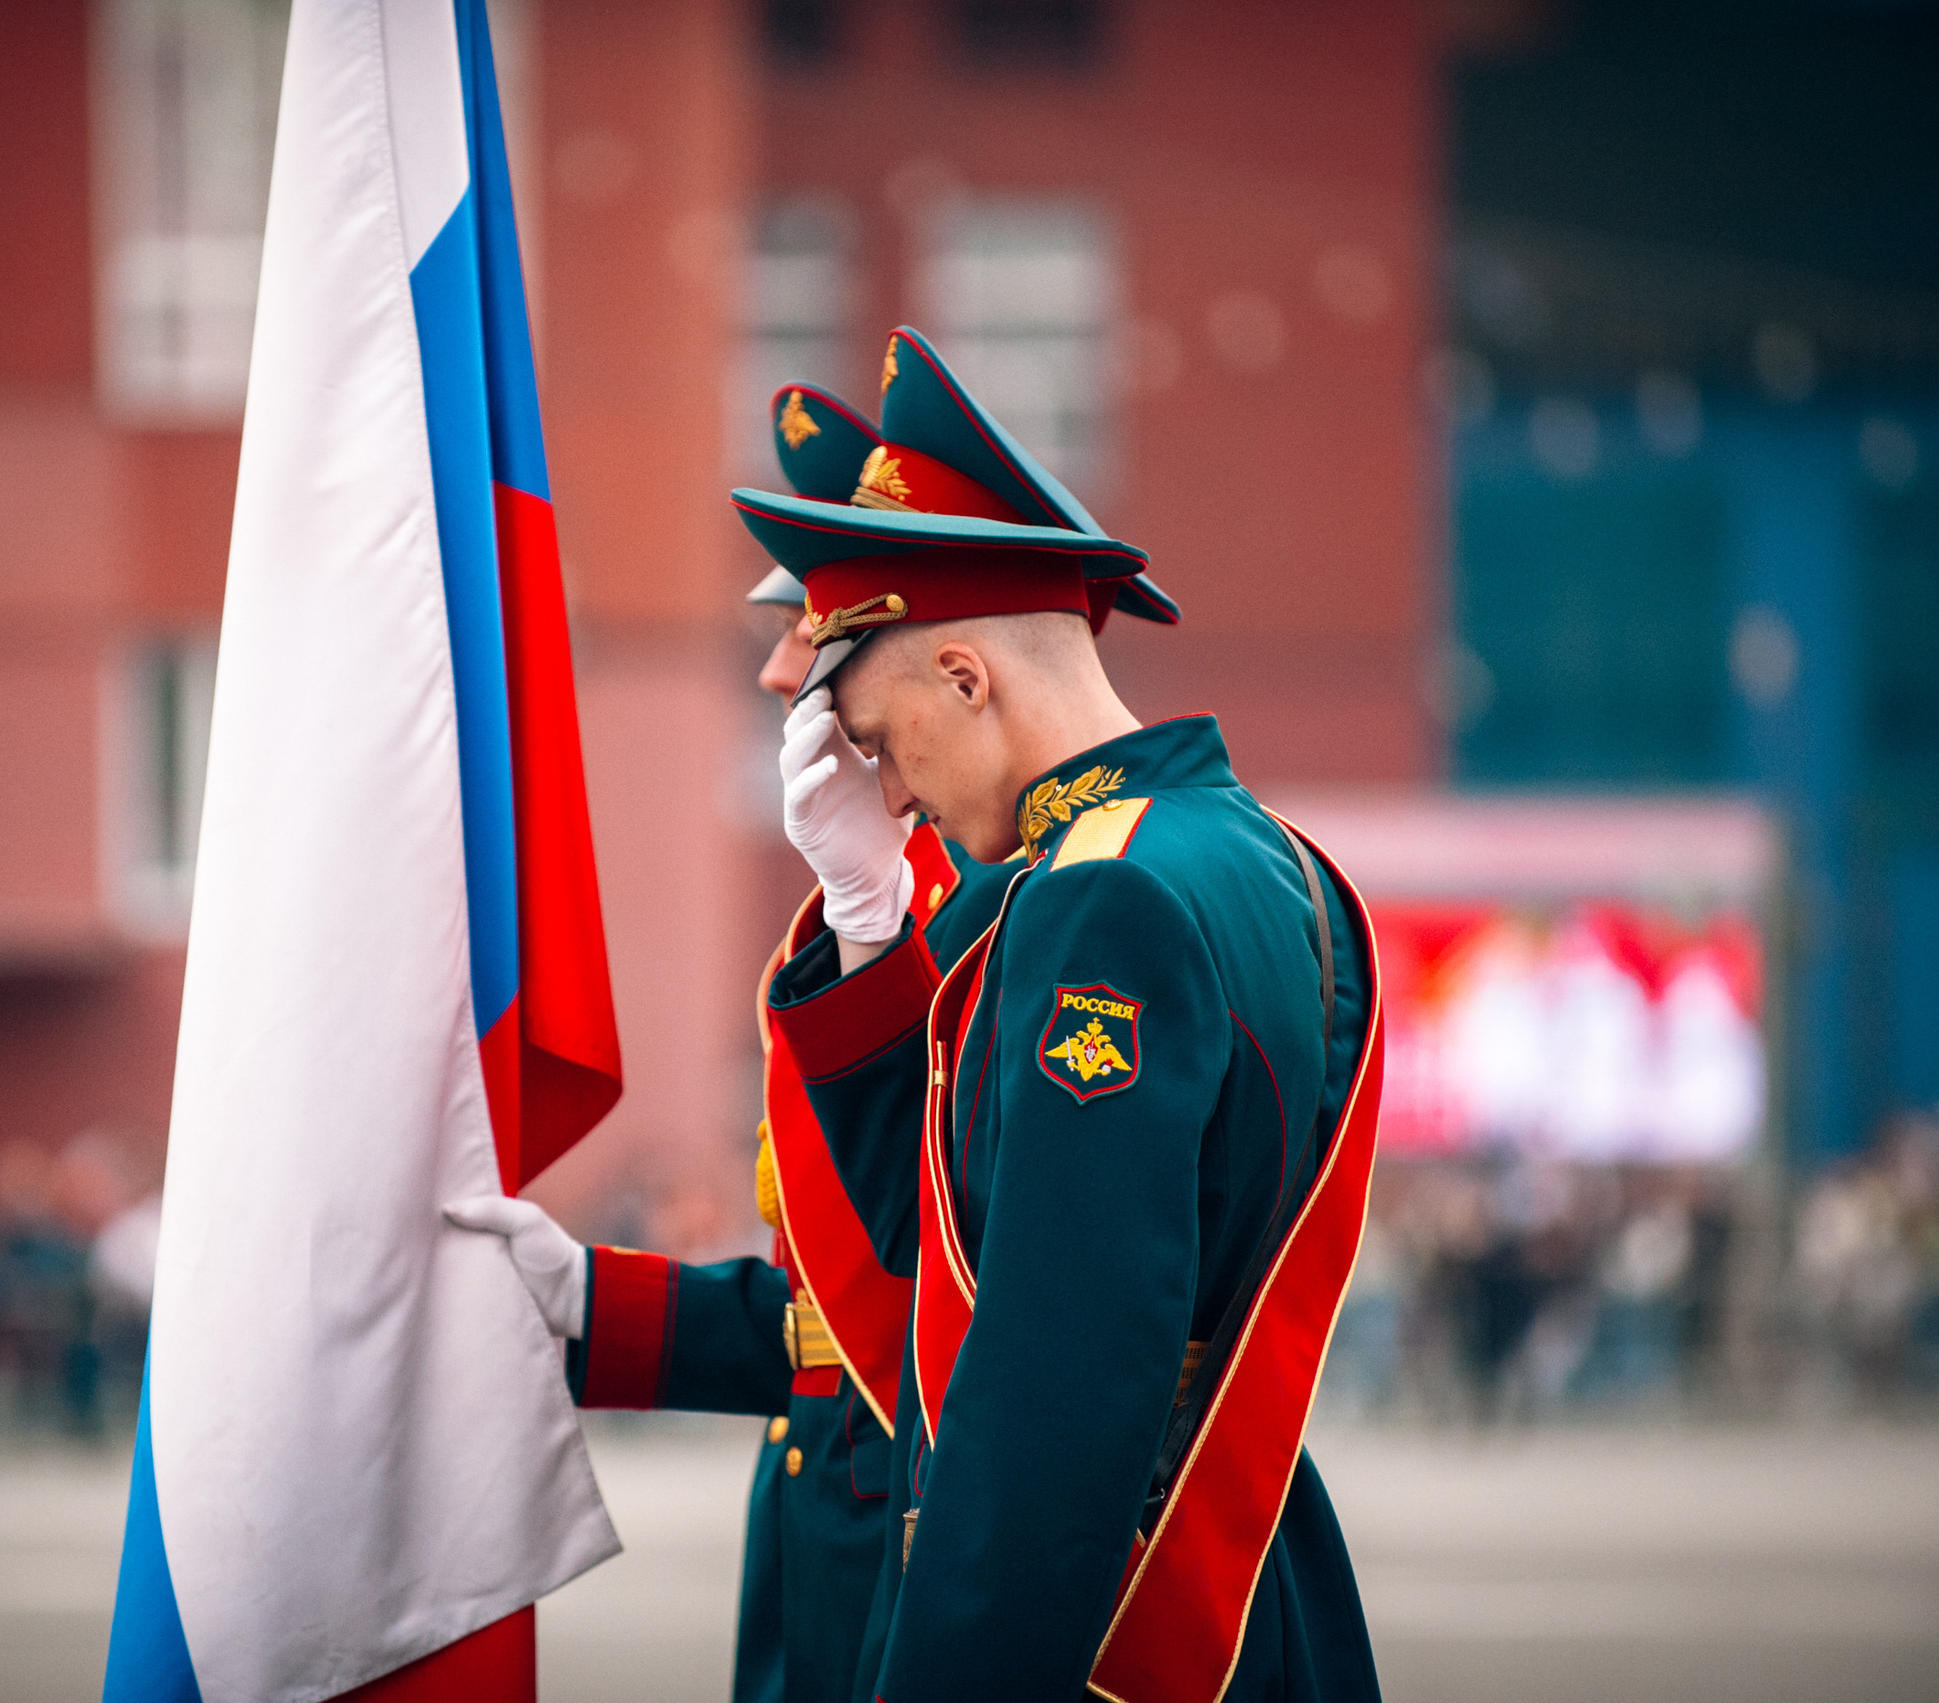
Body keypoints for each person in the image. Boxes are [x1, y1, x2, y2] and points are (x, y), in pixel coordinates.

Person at [452, 377, 1181, 1703]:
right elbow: (835, 1311)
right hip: (833, 1529)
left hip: (918, 1542)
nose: (783, 664)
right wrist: (592, 1301)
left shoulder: (1007, 899)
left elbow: (961, 1295)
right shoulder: (903, 892)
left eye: (817, 623)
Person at [752, 327, 1384, 1703]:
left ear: (966, 678)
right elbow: (930, 1246)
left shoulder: (1106, 900)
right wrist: (868, 917)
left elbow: (1051, 1383)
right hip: (1197, 1576)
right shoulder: (1222, 849)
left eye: (878, 737)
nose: (893, 796)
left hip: (1114, 1622)